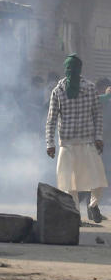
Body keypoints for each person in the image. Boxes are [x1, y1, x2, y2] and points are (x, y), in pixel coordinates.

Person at [46, 55, 106, 224]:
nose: (71, 71)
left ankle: (93, 206)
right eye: (69, 68)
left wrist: (98, 137)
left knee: (98, 178)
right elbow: (51, 119)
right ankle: (75, 214)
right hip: (67, 143)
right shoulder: (58, 91)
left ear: (79, 70)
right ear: (66, 70)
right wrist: (50, 143)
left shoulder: (90, 89)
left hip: (87, 141)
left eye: (74, 68)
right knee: (68, 183)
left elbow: (97, 115)